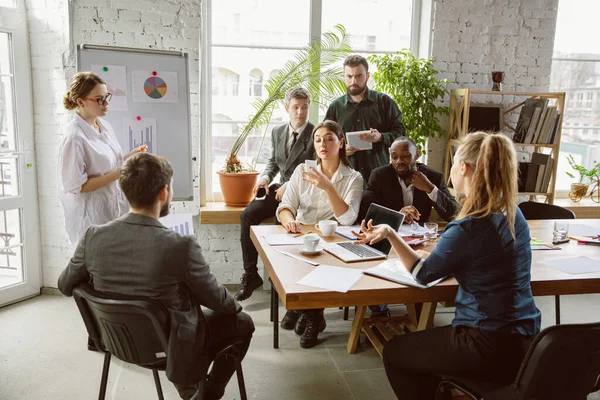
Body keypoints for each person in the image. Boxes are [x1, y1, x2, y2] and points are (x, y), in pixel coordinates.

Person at [353, 132, 541, 400]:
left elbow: (422, 274)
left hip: (485, 343)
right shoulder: (513, 213)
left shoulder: (468, 227)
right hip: (527, 340)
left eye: (453, 162)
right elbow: (483, 259)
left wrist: (391, 234)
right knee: (425, 353)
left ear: (462, 168)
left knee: (395, 352)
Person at [57, 153, 254, 400]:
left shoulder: (92, 237)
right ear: (164, 193)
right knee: (243, 323)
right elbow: (219, 302)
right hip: (170, 347)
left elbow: (65, 285)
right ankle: (209, 392)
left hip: (117, 342)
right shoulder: (179, 245)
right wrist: (233, 305)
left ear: (124, 189)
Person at [276, 120, 363, 348]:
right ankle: (309, 312)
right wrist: (289, 222)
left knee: (321, 262)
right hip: (302, 236)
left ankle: (312, 316)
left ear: (341, 143)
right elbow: (285, 206)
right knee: (289, 260)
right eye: (317, 140)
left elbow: (348, 218)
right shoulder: (302, 170)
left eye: (329, 139)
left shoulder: (354, 178)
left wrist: (328, 187)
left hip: (334, 240)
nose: (322, 144)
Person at [235, 87, 315, 302]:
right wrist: (264, 178)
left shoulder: (316, 134)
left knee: (292, 227)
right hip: (280, 189)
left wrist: (291, 184)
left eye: (305, 107)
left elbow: (315, 168)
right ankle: (251, 274)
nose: (300, 112)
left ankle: (295, 287)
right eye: (296, 107)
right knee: (247, 216)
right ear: (287, 108)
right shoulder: (278, 131)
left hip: (305, 192)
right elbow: (273, 162)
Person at [58, 72, 146, 245]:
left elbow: (110, 164)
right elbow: (77, 186)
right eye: (99, 99)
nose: (106, 104)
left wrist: (130, 156)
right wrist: (121, 172)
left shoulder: (104, 126)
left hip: (114, 211)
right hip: (92, 219)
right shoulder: (74, 138)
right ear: (81, 102)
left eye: (106, 97)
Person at [325, 55, 406, 184]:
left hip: (379, 178)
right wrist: (341, 150)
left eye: (359, 76)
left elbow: (402, 136)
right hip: (344, 178)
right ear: (344, 77)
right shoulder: (335, 107)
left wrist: (380, 137)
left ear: (367, 76)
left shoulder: (385, 103)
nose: (354, 81)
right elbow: (325, 141)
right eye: (349, 76)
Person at [358, 136, 460, 225]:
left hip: (420, 238)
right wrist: (397, 216)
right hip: (388, 235)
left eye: (405, 156)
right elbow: (365, 211)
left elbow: (455, 215)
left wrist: (430, 188)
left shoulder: (433, 177)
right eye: (394, 157)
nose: (399, 161)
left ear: (417, 155)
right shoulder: (379, 176)